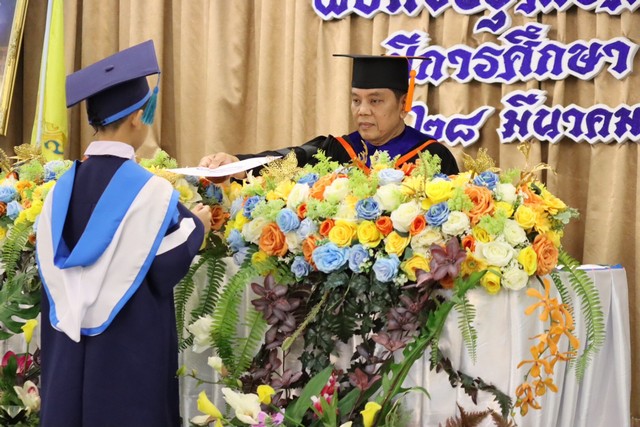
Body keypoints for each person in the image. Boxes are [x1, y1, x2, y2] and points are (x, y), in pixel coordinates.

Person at [35, 40, 211, 427]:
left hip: (68, 354)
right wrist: (200, 224)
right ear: (136, 118)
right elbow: (164, 265)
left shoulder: (58, 192)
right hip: (127, 356)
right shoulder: (150, 192)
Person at [199, 54, 459, 177]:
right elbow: (289, 157)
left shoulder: (433, 156)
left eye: (375, 101)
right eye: (356, 100)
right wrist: (236, 164)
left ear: (403, 104)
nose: (362, 110)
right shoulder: (337, 150)